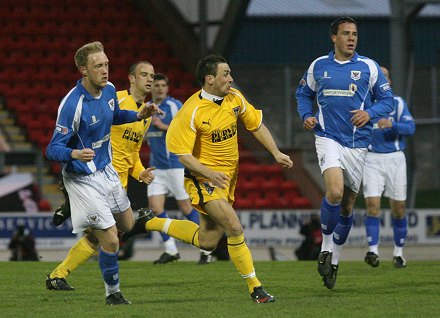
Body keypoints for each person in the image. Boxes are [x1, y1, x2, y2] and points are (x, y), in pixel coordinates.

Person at [123, 54, 293, 303]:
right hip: (203, 180)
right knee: (234, 227)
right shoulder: (191, 111)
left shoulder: (235, 98)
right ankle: (256, 288)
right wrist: (209, 173)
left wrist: (275, 152)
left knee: (207, 241)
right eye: (226, 74)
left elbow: (255, 125)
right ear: (209, 79)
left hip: (226, 178)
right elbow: (182, 155)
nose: (231, 78)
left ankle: (150, 222)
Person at [45, 42, 161, 305]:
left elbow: (115, 114)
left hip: (106, 170)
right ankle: (113, 295)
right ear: (83, 70)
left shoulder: (109, 90)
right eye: (98, 66)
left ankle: (72, 210)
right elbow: (53, 148)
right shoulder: (72, 104)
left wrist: (137, 114)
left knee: (128, 225)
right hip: (81, 177)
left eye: (106, 64)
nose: (105, 70)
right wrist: (74, 154)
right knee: (110, 240)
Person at [295, 17, 394, 289]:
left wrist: (369, 113)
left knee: (348, 206)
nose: (352, 38)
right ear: (334, 38)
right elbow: (303, 94)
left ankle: (334, 261)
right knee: (335, 193)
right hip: (328, 137)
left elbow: (387, 101)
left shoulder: (369, 67)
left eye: (355, 34)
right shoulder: (319, 66)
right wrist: (306, 115)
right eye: (346, 34)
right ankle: (326, 248)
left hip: (358, 144)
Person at [147, 73, 212, 264]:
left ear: (167, 88)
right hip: (156, 167)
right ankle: (171, 249)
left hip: (175, 166)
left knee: (186, 208)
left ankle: (206, 248)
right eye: (156, 85)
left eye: (162, 85)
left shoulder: (174, 106)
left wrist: (162, 125)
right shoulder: (147, 109)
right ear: (151, 88)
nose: (159, 88)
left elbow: (186, 130)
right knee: (155, 208)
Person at [363, 66, 415, 269]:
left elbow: (411, 128)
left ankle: (398, 253)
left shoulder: (398, 103)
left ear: (389, 82)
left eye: (385, 77)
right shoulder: (365, 104)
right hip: (371, 159)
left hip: (395, 159)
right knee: (372, 206)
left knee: (399, 209)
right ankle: (373, 251)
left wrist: (392, 125)